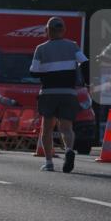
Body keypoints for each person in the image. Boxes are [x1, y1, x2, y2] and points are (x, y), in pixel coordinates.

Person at [30, 17, 88, 172]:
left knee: (47, 128)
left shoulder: (41, 48)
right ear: (63, 30)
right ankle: (69, 149)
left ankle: (49, 163)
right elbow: (85, 63)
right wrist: (85, 82)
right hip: (68, 92)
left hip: (49, 93)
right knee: (67, 127)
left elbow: (34, 72)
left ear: (47, 31)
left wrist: (47, 70)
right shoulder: (73, 46)